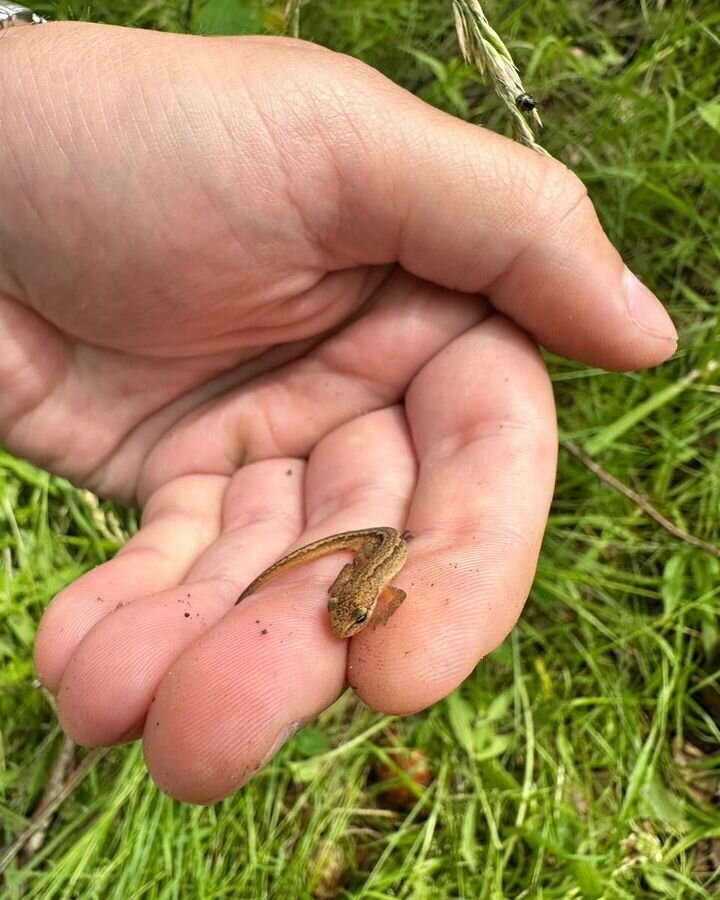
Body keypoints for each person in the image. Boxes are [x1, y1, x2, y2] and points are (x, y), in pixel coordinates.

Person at [0, 20, 676, 804]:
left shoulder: (373, 580)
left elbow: (385, 583)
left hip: (375, 537)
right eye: (347, 610)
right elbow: (369, 578)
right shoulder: (362, 578)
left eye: (351, 613)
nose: (344, 619)